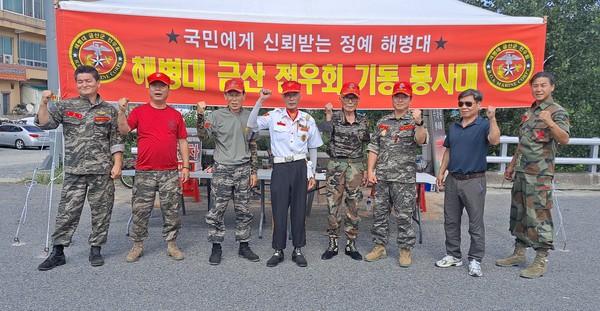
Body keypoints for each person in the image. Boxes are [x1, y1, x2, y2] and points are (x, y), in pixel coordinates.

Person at [35, 65, 124, 270]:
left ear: (98, 83)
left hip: (101, 170)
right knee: (67, 211)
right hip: (75, 170)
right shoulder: (66, 106)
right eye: (80, 81)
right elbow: (45, 123)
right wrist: (43, 103)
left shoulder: (109, 110)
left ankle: (96, 249)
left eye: (88, 81)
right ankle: (58, 251)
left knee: (102, 211)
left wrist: (117, 163)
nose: (84, 85)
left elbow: (116, 139)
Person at [496, 72, 570, 278]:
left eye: (543, 85)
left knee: (539, 215)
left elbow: (564, 139)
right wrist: (511, 165)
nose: (538, 89)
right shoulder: (530, 111)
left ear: (552, 87)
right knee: (519, 213)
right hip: (521, 171)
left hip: (540, 175)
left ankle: (541, 259)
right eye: (535, 86)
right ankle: (519, 252)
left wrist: (551, 123)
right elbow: (523, 143)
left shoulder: (557, 112)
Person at [247, 80, 323, 267]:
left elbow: (313, 147)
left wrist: (311, 173)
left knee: (299, 210)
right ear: (282, 96)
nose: (291, 98)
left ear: (299, 96)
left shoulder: (307, 119)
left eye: (294, 94)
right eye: (287, 94)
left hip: (299, 166)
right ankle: (278, 250)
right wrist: (260, 101)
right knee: (279, 210)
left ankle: (298, 249)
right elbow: (251, 124)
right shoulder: (273, 115)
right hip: (280, 168)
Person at [117, 72, 190, 262]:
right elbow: (124, 130)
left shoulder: (175, 115)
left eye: (162, 86)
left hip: (169, 172)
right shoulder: (139, 112)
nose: (158, 89)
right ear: (149, 89)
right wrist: (122, 111)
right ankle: (137, 245)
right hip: (144, 172)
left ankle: (172, 245)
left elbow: (182, 141)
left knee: (171, 210)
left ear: (168, 90)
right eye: (154, 86)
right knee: (140, 211)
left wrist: (186, 167)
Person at [434, 89, 500, 277]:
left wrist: (493, 119)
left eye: (468, 104)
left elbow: (495, 141)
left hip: (474, 180)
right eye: (461, 103)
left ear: (478, 105)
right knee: (451, 220)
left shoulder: (484, 124)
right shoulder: (455, 126)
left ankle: (475, 259)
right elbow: (448, 151)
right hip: (453, 179)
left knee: (475, 222)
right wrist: (441, 172)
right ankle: (453, 255)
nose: (464, 107)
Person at [196, 78, 260, 265]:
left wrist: (254, 170)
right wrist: (200, 115)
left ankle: (244, 246)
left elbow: (253, 144)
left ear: (243, 96)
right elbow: (203, 136)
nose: (234, 98)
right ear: (225, 96)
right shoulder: (216, 116)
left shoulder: (250, 117)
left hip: (243, 169)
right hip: (222, 169)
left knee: (244, 210)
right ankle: (216, 246)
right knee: (217, 210)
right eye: (230, 94)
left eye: (237, 94)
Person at [364, 81, 428, 267]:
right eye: (397, 96)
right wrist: (370, 170)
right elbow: (374, 146)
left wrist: (419, 123)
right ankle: (379, 246)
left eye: (404, 97)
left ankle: (405, 250)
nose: (400, 100)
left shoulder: (415, 121)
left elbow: (421, 140)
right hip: (382, 176)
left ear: (410, 99)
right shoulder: (383, 121)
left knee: (404, 215)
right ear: (392, 98)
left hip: (404, 179)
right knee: (380, 213)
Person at [318, 82, 370, 261]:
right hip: (336, 166)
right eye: (347, 97)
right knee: (333, 206)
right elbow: (323, 139)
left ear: (358, 100)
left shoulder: (363, 120)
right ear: (340, 98)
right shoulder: (332, 118)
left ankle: (351, 242)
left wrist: (368, 169)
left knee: (353, 205)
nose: (350, 100)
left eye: (353, 97)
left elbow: (368, 143)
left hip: (355, 166)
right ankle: (333, 242)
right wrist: (328, 115)